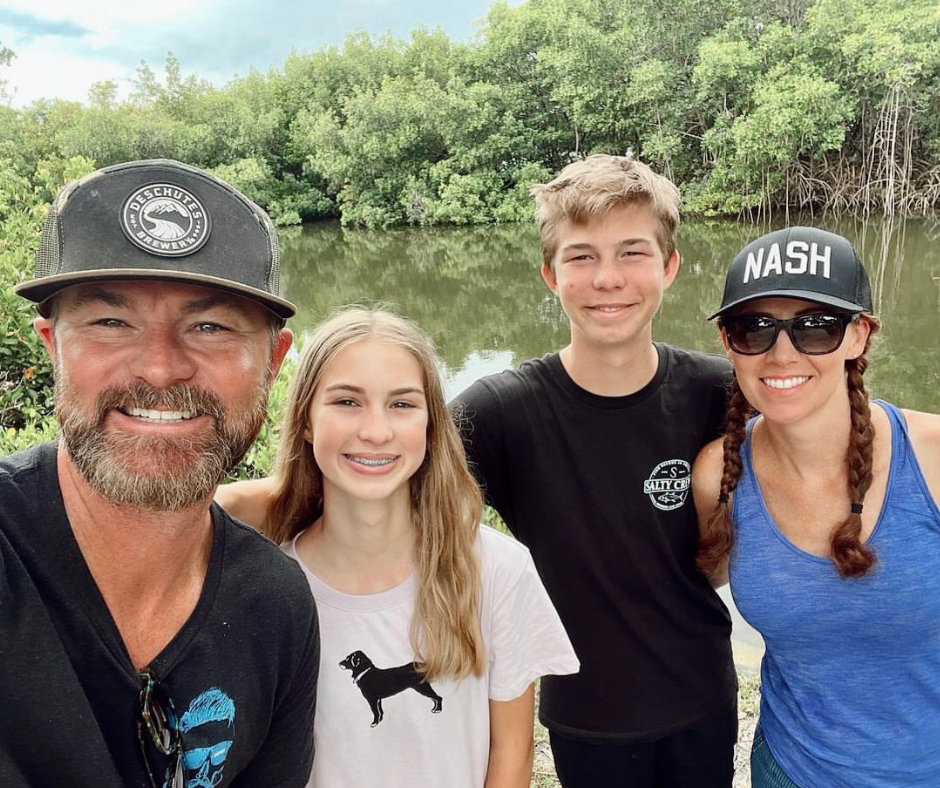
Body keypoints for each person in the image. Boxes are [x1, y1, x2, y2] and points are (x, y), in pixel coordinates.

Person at [0, 159, 319, 788]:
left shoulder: (276, 607)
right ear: (51, 345)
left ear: (274, 361)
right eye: (110, 322)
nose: (160, 369)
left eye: (210, 327)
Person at [450, 155, 738, 788]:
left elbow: (838, 434)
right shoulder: (498, 410)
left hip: (702, 695)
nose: (609, 278)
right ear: (550, 276)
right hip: (586, 708)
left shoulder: (721, 391)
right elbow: (385, 488)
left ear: (669, 267)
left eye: (632, 252)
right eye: (582, 257)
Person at [215, 306, 579, 788]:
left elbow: (510, 751)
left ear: (430, 425)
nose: (376, 431)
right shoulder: (265, 586)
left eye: (402, 404)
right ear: (305, 420)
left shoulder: (496, 569)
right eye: (347, 402)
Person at [693, 225, 940, 788]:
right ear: (728, 343)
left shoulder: (931, 459)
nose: (782, 354)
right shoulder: (718, 476)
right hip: (792, 770)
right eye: (754, 328)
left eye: (816, 327)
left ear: (860, 335)